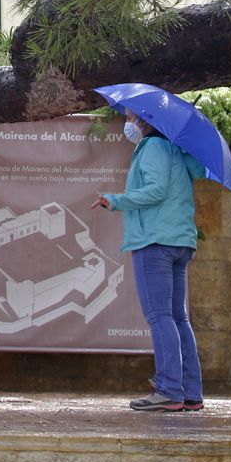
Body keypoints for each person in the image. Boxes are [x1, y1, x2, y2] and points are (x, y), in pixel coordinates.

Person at [91, 111, 205, 412]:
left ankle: (169, 390)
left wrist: (116, 200)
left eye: (130, 117)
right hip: (179, 241)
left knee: (159, 316)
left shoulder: (153, 146)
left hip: (154, 242)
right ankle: (191, 392)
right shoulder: (176, 149)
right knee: (178, 318)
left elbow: (155, 191)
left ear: (145, 120)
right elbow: (194, 173)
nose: (127, 122)